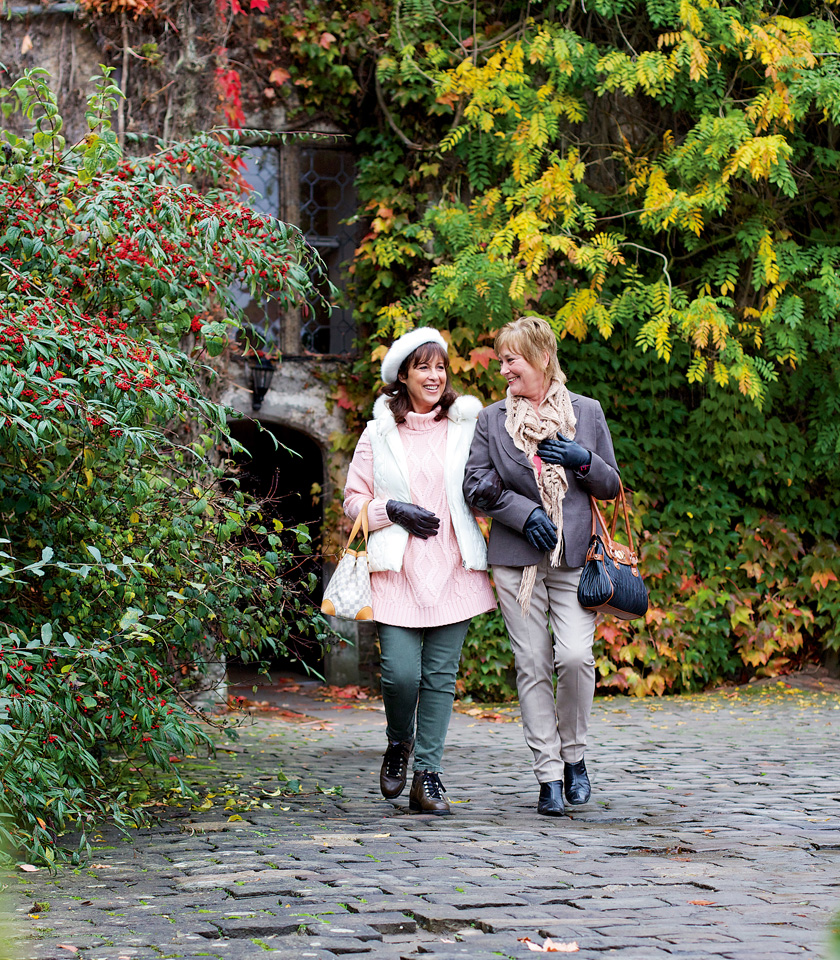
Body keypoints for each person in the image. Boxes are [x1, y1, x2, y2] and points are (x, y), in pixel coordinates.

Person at [463, 316, 620, 817]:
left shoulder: (586, 412)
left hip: (575, 557)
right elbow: (476, 484)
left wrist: (581, 459)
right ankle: (549, 774)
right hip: (517, 559)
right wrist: (523, 512)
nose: (503, 367)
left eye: (512, 358)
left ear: (542, 358)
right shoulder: (491, 420)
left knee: (575, 658)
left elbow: (611, 485)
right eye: (502, 358)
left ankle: (575, 757)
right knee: (531, 664)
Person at [343, 327, 496, 815]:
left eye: (440, 367)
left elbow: (487, 484)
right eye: (423, 367)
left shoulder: (467, 427)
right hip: (397, 570)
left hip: (454, 567)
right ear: (403, 375)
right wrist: (394, 510)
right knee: (399, 675)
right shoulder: (377, 432)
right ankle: (398, 743)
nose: (434, 375)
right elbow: (353, 501)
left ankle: (428, 776)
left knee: (440, 678)